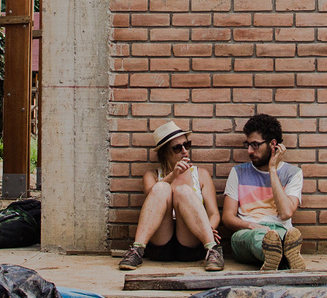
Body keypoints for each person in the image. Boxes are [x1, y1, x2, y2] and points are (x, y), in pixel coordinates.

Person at [118, 121, 223, 272]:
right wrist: (172, 176)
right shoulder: (152, 175)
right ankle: (136, 250)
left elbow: (214, 213)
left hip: (190, 243)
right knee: (161, 187)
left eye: (187, 145)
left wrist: (208, 228)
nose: (184, 151)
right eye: (177, 148)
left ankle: (213, 250)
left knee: (183, 191)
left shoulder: (201, 174)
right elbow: (151, 200)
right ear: (164, 152)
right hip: (161, 243)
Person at [222, 113, 306, 272]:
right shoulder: (238, 173)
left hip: (280, 230)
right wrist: (252, 225)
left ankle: (276, 256)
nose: (249, 151)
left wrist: (272, 170)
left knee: (283, 237)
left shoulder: (293, 173)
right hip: (247, 232)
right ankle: (284, 259)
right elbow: (227, 218)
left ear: (273, 144)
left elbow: (286, 212)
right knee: (256, 239)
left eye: (255, 145)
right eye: (247, 144)